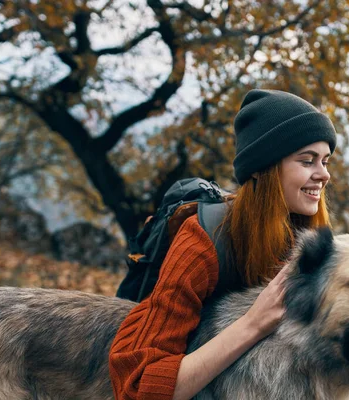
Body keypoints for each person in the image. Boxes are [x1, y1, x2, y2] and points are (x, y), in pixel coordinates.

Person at [108, 89, 337, 400]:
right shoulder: (203, 242)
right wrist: (254, 323)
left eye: (325, 161)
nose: (323, 174)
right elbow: (140, 387)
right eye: (307, 160)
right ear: (262, 167)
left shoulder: (306, 242)